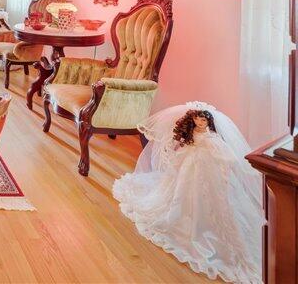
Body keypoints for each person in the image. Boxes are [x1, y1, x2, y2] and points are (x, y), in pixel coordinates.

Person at [113, 102, 264, 283]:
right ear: (192, 120)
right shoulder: (192, 134)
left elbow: (224, 154)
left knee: (208, 195)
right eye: (197, 119)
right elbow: (180, 145)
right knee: (181, 189)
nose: (200, 122)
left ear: (208, 121)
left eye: (203, 119)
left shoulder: (211, 138)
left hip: (206, 168)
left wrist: (223, 167)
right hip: (188, 164)